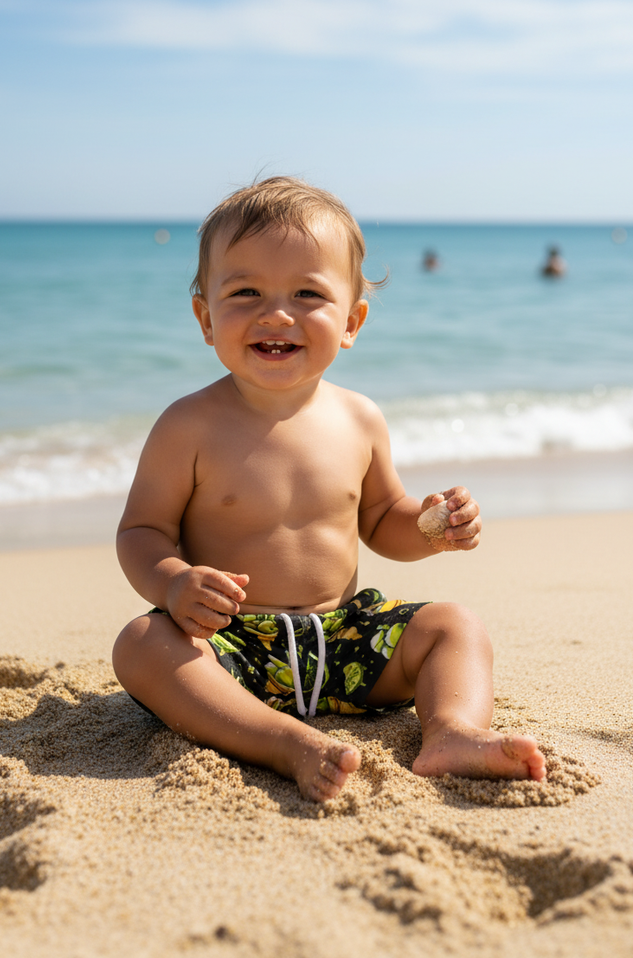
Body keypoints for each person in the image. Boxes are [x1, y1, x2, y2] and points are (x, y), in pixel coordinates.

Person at [112, 177, 546, 802]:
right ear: (206, 318)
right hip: (231, 645)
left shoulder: (360, 419)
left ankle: (451, 729)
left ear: (351, 321)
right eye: (246, 292)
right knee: (142, 644)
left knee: (455, 626)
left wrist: (429, 527)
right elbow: (142, 531)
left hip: (343, 639)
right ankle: (280, 740)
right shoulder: (188, 426)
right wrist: (174, 582)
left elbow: (380, 519)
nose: (276, 313)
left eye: (307, 293)